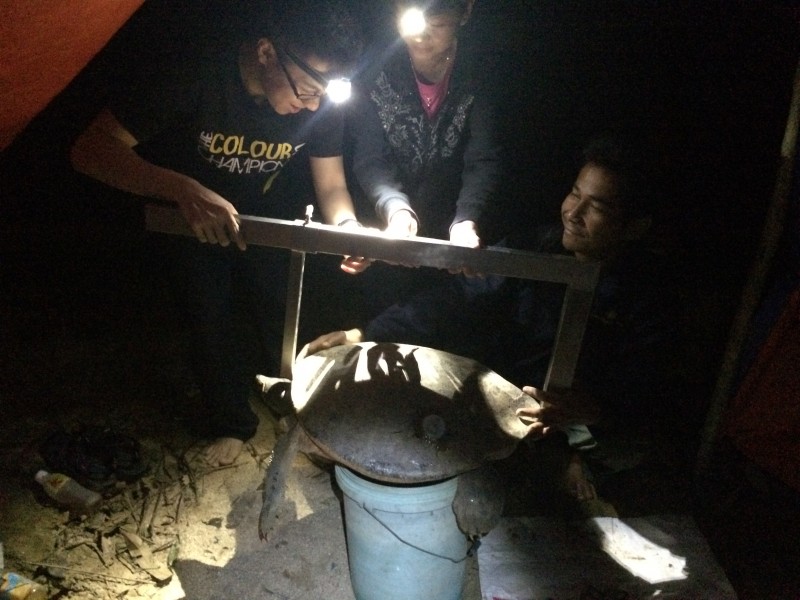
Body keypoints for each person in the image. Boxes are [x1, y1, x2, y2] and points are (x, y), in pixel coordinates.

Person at [302, 133, 682, 505]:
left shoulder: (647, 292)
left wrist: (589, 410)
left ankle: (579, 463)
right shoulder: (534, 251)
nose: (574, 213)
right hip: (515, 400)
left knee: (616, 464)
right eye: (575, 194)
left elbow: (644, 388)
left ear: (636, 226)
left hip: (587, 417)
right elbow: (451, 300)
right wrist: (364, 333)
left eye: (597, 207)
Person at [70, 0, 367, 467]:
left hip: (267, 216)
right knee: (207, 309)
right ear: (267, 52)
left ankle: (297, 409)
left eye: (321, 96)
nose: (311, 105)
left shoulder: (322, 98)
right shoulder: (197, 73)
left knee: (281, 303)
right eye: (307, 90)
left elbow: (331, 183)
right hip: (192, 216)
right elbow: (90, 150)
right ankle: (231, 423)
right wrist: (180, 188)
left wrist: (349, 231)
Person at [346, 0, 503, 314]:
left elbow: (484, 156)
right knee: (377, 320)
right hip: (385, 227)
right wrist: (396, 210)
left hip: (453, 232)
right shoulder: (376, 64)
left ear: (466, 12)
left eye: (439, 23)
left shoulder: (482, 67)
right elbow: (370, 157)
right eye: (411, 18)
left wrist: (466, 221)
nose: (421, 34)